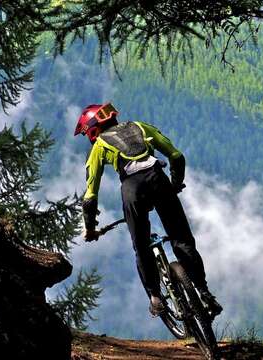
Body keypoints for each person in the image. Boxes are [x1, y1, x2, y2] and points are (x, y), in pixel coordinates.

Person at [74, 102, 222, 318]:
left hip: (133, 191)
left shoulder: (98, 147)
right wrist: (175, 183)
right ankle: (204, 292)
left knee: (141, 246)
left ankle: (155, 297)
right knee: (181, 238)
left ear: (92, 129)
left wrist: (90, 228)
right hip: (158, 180)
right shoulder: (140, 127)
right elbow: (177, 156)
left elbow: (89, 197)